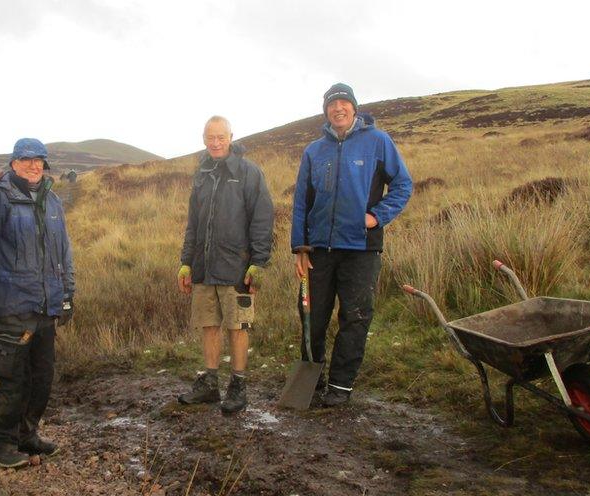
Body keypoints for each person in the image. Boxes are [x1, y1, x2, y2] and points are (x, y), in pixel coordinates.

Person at [290, 83, 413, 407]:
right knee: (311, 316)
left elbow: (402, 185)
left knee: (355, 316)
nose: (338, 108)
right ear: (325, 111)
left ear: (354, 108)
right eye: (332, 104)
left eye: (344, 103)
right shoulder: (314, 151)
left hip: (361, 249)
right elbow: (302, 200)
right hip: (318, 250)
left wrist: (377, 216)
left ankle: (340, 386)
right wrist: (300, 248)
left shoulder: (377, 141)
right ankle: (311, 378)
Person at [0, 137, 75, 468]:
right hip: (12, 308)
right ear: (13, 164)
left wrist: (67, 294)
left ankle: (27, 435)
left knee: (41, 378)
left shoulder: (52, 202)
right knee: (9, 379)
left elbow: (64, 253)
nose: (34, 165)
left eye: (39, 160)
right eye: (27, 160)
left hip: (46, 308)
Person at [177, 116, 274, 414]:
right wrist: (186, 262)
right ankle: (209, 384)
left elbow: (262, 219)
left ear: (231, 137)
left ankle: (238, 386)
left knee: (238, 326)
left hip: (237, 267)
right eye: (210, 137)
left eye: (220, 137)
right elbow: (193, 222)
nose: (215, 142)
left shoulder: (248, 173)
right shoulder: (202, 174)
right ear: (204, 138)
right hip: (204, 267)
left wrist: (258, 262)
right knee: (209, 324)